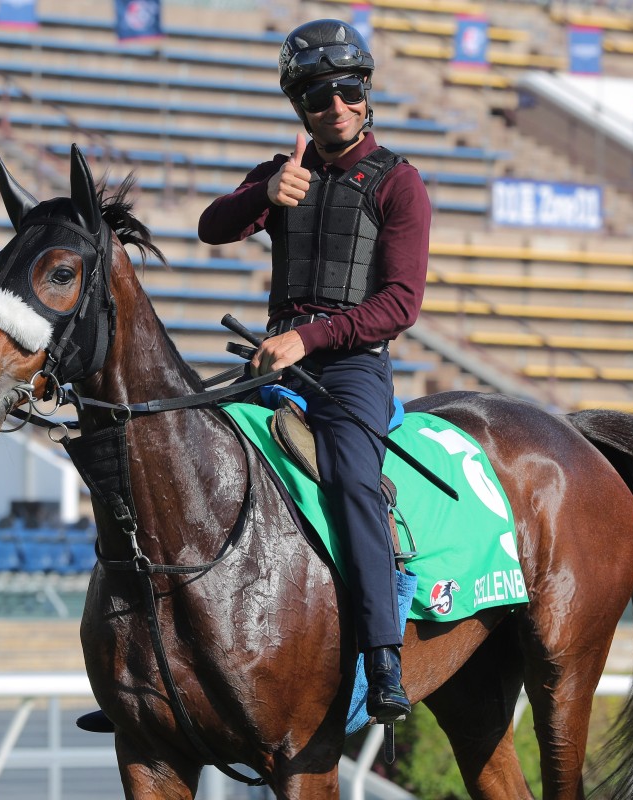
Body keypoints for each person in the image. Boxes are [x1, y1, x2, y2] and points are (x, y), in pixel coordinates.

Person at [197, 18, 432, 723]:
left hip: (351, 368)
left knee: (355, 482)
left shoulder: (400, 183)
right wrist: (263, 196)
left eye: (348, 91)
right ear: (300, 105)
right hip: (275, 357)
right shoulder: (282, 172)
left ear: (366, 94)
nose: (336, 106)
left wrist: (311, 337)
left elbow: (401, 303)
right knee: (174, 451)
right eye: (320, 96)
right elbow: (212, 227)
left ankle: (383, 656)